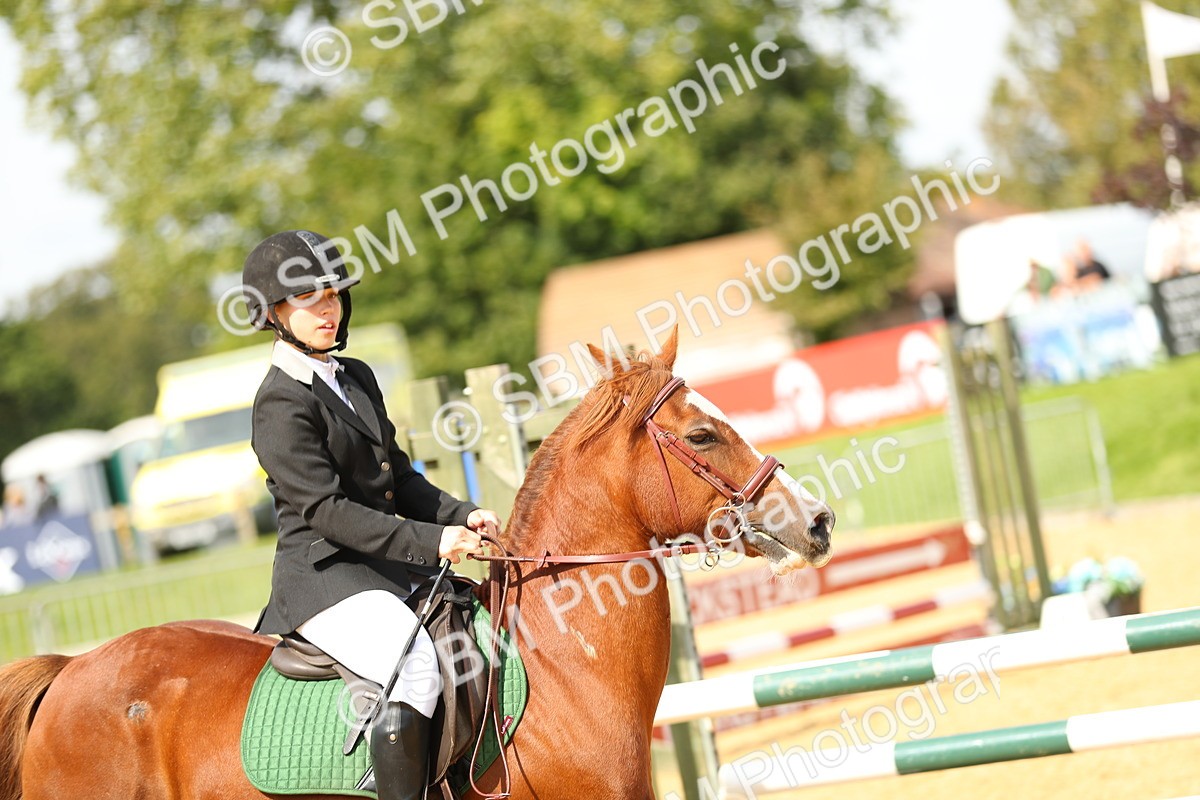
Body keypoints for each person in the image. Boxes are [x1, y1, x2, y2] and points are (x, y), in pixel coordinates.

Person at [241, 230, 501, 800]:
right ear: (273, 313)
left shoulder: (354, 375)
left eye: (333, 295)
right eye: (309, 299)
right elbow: (328, 511)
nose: (327, 310)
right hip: (325, 578)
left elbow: (399, 478)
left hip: (382, 567)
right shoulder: (279, 403)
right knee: (415, 667)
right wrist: (434, 542)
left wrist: (464, 515)